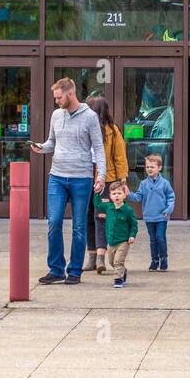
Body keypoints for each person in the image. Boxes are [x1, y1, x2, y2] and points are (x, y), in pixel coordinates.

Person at [30, 78, 106, 284]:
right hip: (57, 177)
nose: (56, 101)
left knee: (79, 226)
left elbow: (99, 148)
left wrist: (101, 177)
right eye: (55, 98)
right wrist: (41, 147)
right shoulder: (56, 115)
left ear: (70, 93)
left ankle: (74, 271)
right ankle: (55, 270)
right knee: (54, 222)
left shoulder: (90, 117)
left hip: (82, 178)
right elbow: (52, 143)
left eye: (58, 97)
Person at [85, 96, 128, 274]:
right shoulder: (84, 128)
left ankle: (101, 257)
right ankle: (92, 257)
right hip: (85, 177)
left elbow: (119, 156)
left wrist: (122, 180)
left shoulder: (113, 131)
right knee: (87, 216)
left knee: (100, 216)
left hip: (107, 178)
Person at [128, 154, 175, 271]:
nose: (149, 169)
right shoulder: (143, 184)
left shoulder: (165, 183)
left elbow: (171, 197)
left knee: (160, 237)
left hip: (161, 216)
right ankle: (154, 260)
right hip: (149, 217)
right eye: (147, 167)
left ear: (159, 168)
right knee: (153, 239)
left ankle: (164, 259)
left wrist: (168, 209)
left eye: (152, 167)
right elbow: (138, 197)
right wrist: (128, 194)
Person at [92, 181, 137, 287]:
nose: (117, 196)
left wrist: (132, 235)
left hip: (123, 241)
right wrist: (97, 193)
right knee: (112, 262)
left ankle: (118, 280)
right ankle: (123, 271)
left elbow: (134, 225)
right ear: (110, 196)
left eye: (119, 193)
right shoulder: (108, 207)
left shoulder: (127, 210)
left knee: (118, 261)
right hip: (111, 242)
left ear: (125, 195)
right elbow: (97, 204)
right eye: (114, 194)